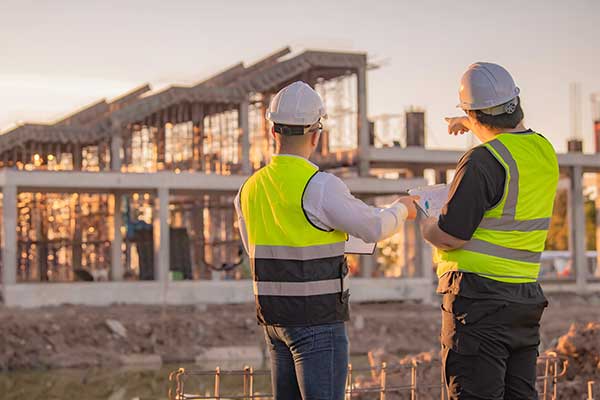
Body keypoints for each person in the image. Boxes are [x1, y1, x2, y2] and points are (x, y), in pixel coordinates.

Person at [234, 81, 417, 400]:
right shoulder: (320, 186)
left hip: (274, 321)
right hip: (316, 322)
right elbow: (374, 227)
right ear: (316, 135)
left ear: (272, 131)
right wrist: (402, 209)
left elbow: (258, 248)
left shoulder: (249, 189)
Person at [420, 63, 559, 399]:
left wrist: (426, 222)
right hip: (524, 300)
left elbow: (452, 235)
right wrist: (470, 121)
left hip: (478, 302)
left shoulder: (482, 160)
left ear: (473, 112)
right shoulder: (544, 152)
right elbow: (511, 134)